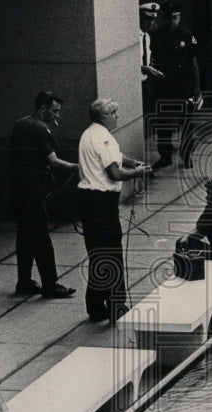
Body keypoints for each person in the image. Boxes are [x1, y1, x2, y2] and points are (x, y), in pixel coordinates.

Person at [77, 98, 152, 323]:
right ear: (104, 116)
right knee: (112, 255)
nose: (118, 117)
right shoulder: (105, 138)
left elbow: (117, 160)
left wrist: (133, 163)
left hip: (88, 202)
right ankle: (116, 306)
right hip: (103, 203)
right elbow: (114, 173)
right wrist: (138, 173)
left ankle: (96, 306)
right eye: (115, 113)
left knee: (97, 254)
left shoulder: (89, 135)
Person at [9, 91, 78, 298]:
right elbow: (53, 161)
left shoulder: (21, 124)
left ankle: (24, 281)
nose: (57, 115)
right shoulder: (40, 129)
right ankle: (50, 284)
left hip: (18, 188)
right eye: (54, 111)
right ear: (42, 109)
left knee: (25, 236)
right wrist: (77, 167)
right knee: (41, 238)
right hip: (33, 189)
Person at [150, 1, 201, 169]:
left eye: (175, 18)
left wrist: (196, 89)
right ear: (164, 18)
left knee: (185, 122)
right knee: (163, 123)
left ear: (180, 18)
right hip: (163, 86)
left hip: (182, 86)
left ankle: (187, 155)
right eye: (169, 18)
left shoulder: (187, 36)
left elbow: (194, 64)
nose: (172, 21)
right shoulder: (156, 36)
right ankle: (165, 156)